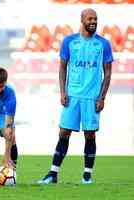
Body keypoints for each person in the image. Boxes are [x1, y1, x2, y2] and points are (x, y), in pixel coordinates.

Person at [38, 8, 113, 184]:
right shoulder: (69, 41)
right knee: (64, 132)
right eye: (90, 18)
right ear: (82, 20)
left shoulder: (103, 44)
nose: (93, 21)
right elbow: (62, 67)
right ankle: (53, 173)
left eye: (95, 18)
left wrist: (102, 97)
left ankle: (87, 175)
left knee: (90, 135)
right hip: (72, 95)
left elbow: (108, 73)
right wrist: (63, 91)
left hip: (92, 97)